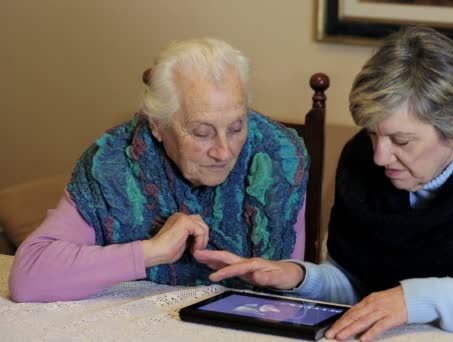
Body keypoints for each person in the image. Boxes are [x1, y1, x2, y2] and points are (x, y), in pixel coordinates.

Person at [192, 26, 453, 341]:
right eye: (372, 133)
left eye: (401, 140)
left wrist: (418, 298)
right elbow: (363, 289)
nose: (379, 157)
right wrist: (298, 278)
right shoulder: (362, 159)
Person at [9, 38, 309, 302]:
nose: (224, 151)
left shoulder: (278, 159)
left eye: (236, 127)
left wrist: (289, 275)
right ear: (157, 126)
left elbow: (290, 287)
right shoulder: (111, 165)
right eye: (201, 132)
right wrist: (151, 251)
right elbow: (29, 278)